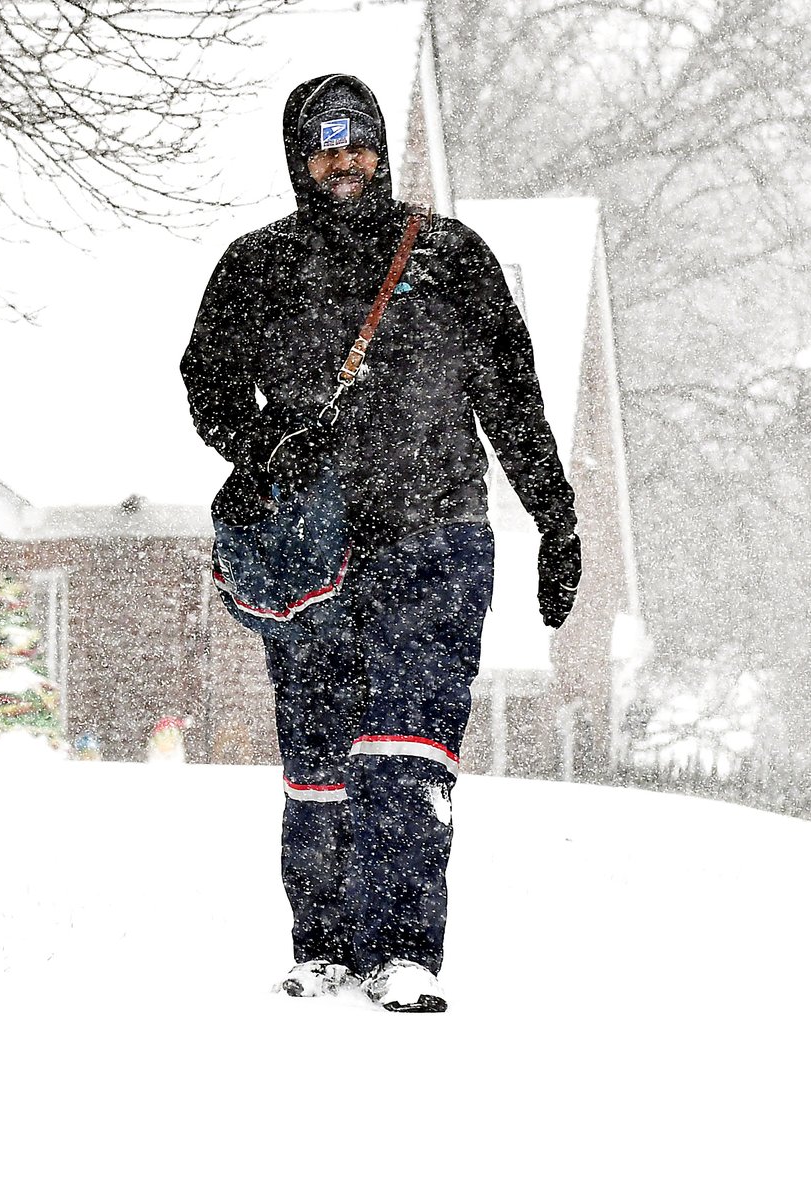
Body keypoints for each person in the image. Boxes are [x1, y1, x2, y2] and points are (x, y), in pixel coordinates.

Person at [181, 75, 581, 1012]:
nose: (344, 162)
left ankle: (402, 951)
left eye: (357, 143)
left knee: (407, 744)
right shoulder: (254, 265)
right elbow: (207, 381)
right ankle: (322, 946)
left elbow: (512, 402)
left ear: (381, 149)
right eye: (323, 147)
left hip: (435, 532)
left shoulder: (449, 258)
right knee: (318, 755)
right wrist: (264, 445)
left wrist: (555, 519)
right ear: (297, 159)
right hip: (313, 548)